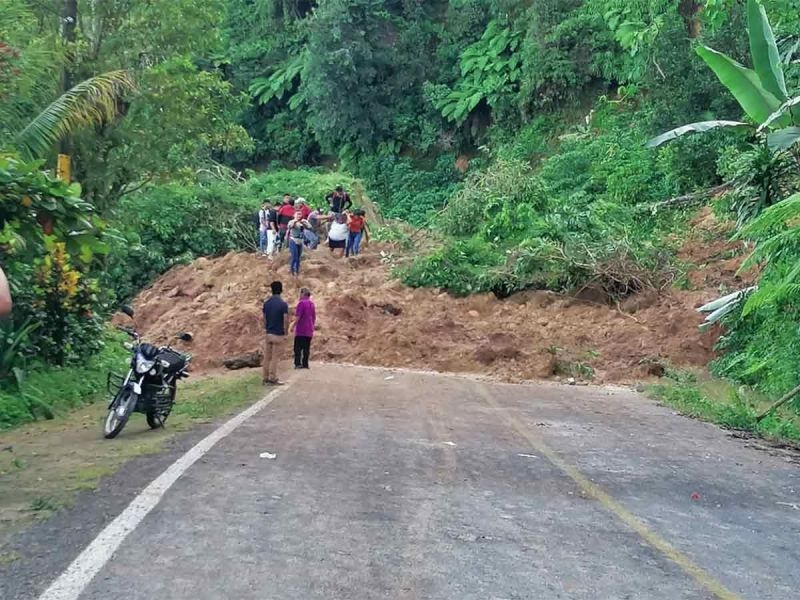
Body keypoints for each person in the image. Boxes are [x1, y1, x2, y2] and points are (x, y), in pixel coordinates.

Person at [262, 280, 289, 385]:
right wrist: (285, 332)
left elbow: (264, 319)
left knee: (266, 357)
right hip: (278, 333)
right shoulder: (283, 304)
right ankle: (273, 378)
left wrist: (267, 328)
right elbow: (285, 319)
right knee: (274, 358)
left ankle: (265, 378)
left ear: (271, 290)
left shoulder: (266, 303)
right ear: (281, 290)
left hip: (269, 333)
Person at [290, 287, 316, 370]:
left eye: (300, 294)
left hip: (301, 329)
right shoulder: (312, 304)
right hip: (309, 330)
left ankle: (298, 363)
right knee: (306, 348)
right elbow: (314, 317)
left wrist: (292, 326)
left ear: (303, 294)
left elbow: (298, 317)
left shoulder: (301, 303)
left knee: (297, 348)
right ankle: (305, 364)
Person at [287, 210, 312, 276]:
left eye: (300, 214)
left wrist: (304, 223)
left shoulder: (304, 221)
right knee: (294, 256)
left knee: (298, 257)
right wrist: (295, 222)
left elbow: (310, 227)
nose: (299, 216)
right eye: (297, 214)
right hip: (293, 239)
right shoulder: (292, 221)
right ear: (294, 215)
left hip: (300, 240)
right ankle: (292, 270)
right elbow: (290, 227)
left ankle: (297, 271)